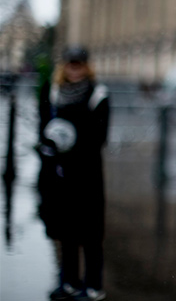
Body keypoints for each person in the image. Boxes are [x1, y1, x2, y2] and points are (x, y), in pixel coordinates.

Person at [36, 46, 109, 301]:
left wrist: (73, 148)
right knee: (65, 229)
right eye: (70, 63)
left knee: (90, 232)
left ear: (86, 66)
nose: (74, 68)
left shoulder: (97, 93)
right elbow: (42, 126)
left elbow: (100, 136)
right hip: (59, 173)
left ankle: (94, 287)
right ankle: (68, 282)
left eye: (78, 64)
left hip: (87, 173)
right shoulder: (53, 92)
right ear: (64, 65)